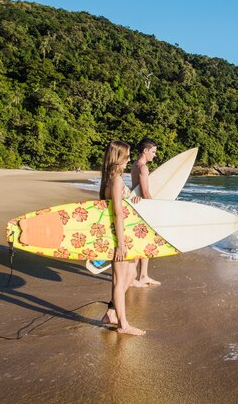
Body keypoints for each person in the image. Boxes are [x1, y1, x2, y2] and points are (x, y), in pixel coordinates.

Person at [99, 140, 146, 336]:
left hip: (122, 234)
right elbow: (117, 213)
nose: (128, 160)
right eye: (126, 156)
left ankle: (111, 313)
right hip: (118, 236)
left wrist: (132, 199)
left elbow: (119, 206)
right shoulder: (116, 180)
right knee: (119, 280)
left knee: (129, 274)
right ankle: (123, 325)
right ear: (118, 158)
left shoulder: (110, 179)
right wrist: (120, 244)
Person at [130, 138, 161, 287]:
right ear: (145, 151)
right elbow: (145, 192)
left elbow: (135, 189)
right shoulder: (143, 168)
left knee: (145, 242)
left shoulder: (135, 165)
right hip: (142, 208)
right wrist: (155, 207)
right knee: (140, 243)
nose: (154, 155)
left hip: (136, 205)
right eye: (153, 152)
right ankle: (132, 277)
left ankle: (143, 275)